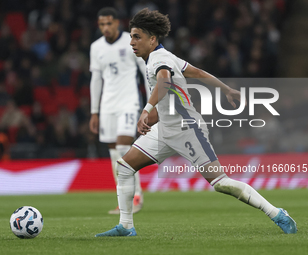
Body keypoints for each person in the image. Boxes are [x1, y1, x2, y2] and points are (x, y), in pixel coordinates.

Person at [95, 8, 297, 236]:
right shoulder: (164, 56)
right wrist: (227, 89)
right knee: (124, 167)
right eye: (131, 36)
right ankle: (126, 227)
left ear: (152, 39)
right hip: (165, 130)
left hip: (188, 129)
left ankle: (277, 213)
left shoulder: (159, 60)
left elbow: (164, 83)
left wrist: (146, 110)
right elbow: (198, 73)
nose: (131, 42)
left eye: (137, 37)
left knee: (221, 183)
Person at [89, 7, 147, 214]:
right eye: (102, 24)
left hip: (129, 103)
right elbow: (96, 80)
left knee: (123, 148)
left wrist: (150, 104)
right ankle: (124, 199)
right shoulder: (96, 47)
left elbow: (144, 71)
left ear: (117, 23)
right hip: (107, 106)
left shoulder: (131, 41)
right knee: (115, 153)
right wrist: (94, 111)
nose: (105, 28)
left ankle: (136, 196)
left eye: (109, 23)